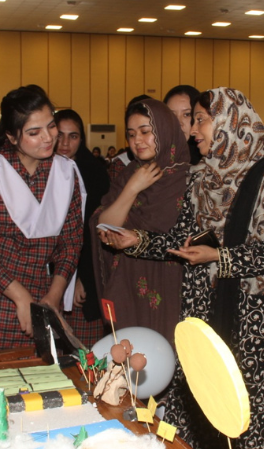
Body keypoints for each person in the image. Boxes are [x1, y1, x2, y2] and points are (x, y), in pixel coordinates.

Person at [103, 88, 264, 449]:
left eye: (200, 120)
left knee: (249, 409)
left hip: (253, 321)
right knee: (202, 403)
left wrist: (219, 257)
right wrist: (136, 241)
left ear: (230, 122)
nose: (193, 131)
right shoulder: (200, 178)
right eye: (193, 120)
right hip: (202, 313)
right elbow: (181, 240)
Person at [0, 85, 85, 353]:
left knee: (43, 375)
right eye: (34, 133)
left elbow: (71, 243)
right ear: (12, 137)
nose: (48, 138)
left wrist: (53, 296)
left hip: (44, 296)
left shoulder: (66, 172)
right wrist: (21, 297)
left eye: (51, 126)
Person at [91, 99, 191, 347]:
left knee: (169, 351)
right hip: (128, 281)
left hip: (172, 283)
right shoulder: (129, 174)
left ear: (164, 130)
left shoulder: (189, 178)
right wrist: (133, 188)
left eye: (146, 131)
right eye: (131, 134)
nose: (137, 141)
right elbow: (104, 226)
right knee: (128, 354)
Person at [55, 109, 112, 346]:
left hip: (81, 272)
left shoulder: (93, 172)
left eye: (73, 136)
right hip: (46, 273)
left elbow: (94, 232)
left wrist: (82, 278)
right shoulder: (40, 168)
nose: (65, 143)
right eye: (59, 135)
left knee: (81, 350)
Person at [163, 85, 204, 166]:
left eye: (187, 114)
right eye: (172, 115)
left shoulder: (210, 161)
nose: (178, 123)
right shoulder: (154, 157)